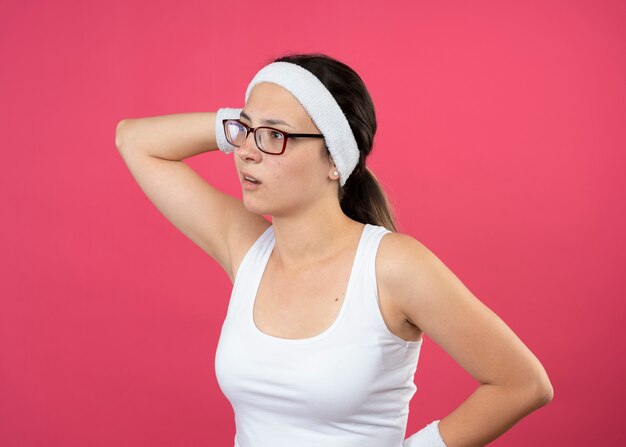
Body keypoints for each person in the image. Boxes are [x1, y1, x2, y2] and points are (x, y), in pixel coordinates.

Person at [115, 53, 553, 447]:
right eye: (244, 133)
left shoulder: (393, 266)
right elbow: (133, 141)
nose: (246, 152)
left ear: (334, 160)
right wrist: (248, 120)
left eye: (274, 136)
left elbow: (522, 383)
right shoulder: (246, 248)